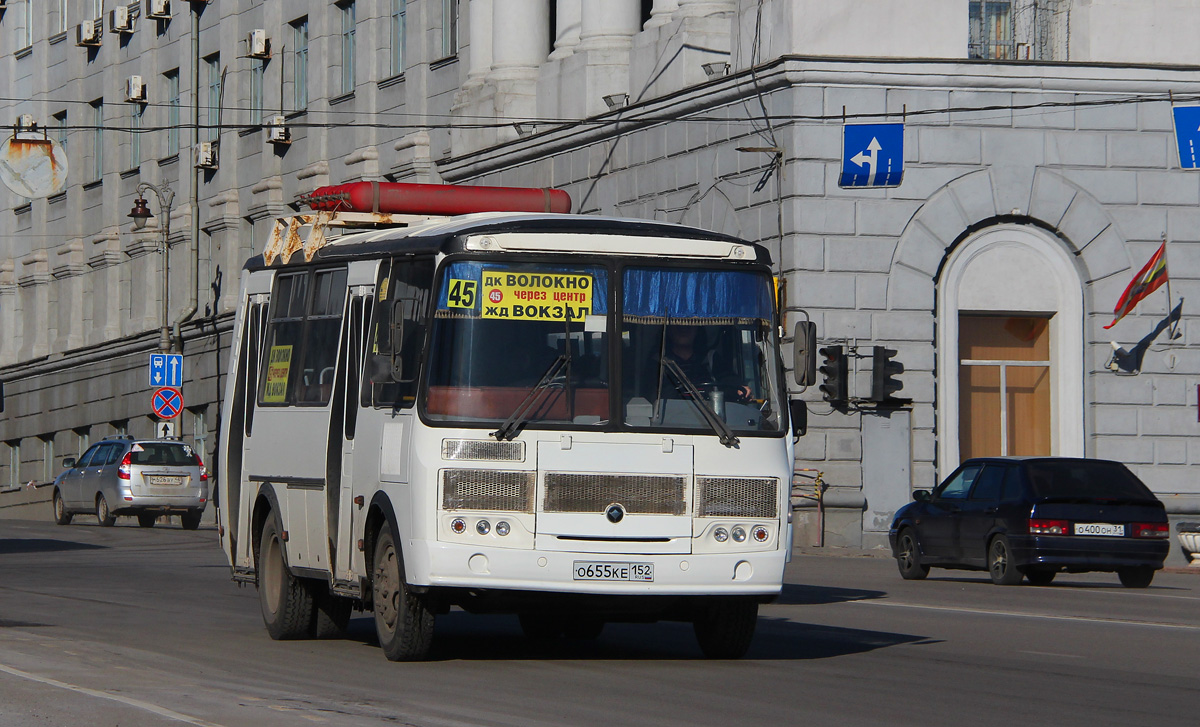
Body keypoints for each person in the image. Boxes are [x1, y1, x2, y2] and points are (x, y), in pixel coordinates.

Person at [659, 325, 751, 402]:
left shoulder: (711, 358)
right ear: (668, 330)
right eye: (678, 325)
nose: (684, 329)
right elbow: (651, 395)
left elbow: (727, 378)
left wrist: (739, 387)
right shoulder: (658, 362)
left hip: (712, 419)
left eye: (689, 325)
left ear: (697, 329)